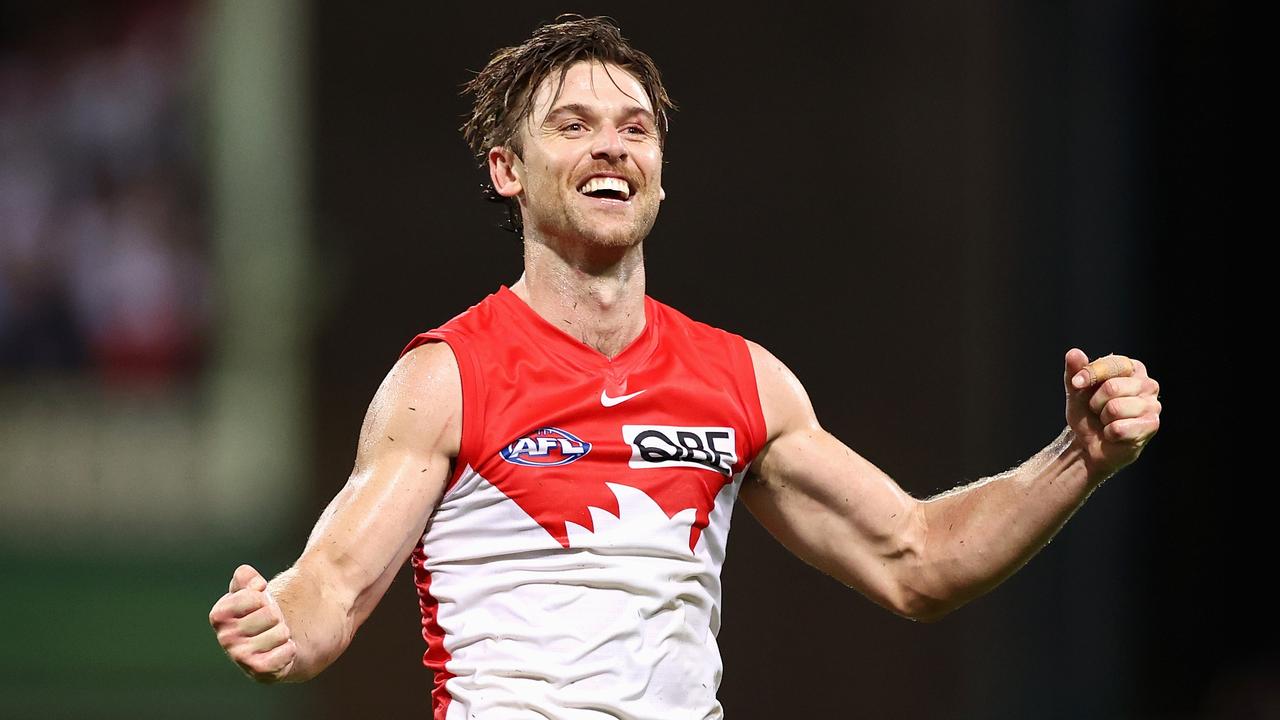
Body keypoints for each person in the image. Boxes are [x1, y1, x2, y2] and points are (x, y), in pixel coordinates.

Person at [208, 14, 1161, 719]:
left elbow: (917, 559)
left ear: (660, 166)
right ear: (507, 169)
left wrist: (1078, 457)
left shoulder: (742, 379)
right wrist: (280, 622)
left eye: (634, 127)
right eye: (572, 125)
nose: (611, 143)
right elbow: (331, 589)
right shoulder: (448, 377)